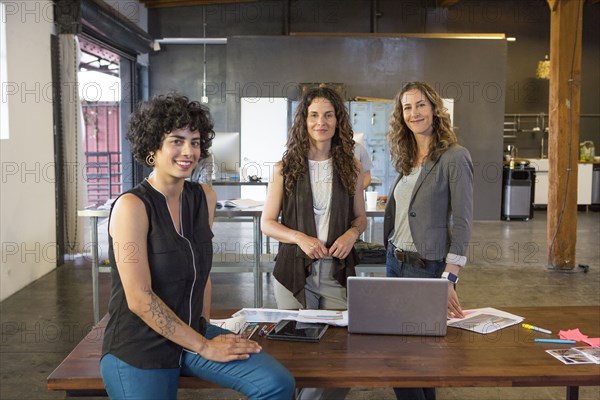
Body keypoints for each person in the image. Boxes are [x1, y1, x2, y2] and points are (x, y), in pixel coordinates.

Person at [100, 94, 295, 400]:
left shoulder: (204, 197)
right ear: (153, 147)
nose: (188, 151)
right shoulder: (132, 206)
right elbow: (138, 299)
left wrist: (203, 329)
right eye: (176, 141)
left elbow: (200, 274)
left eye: (195, 141)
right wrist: (204, 346)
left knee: (277, 384)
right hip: (140, 346)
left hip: (192, 333)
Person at [384, 81, 473, 400]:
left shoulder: (455, 156)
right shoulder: (406, 157)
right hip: (395, 263)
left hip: (427, 269)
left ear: (435, 108)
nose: (414, 113)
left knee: (404, 359)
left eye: (420, 104)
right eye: (407, 107)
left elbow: (463, 222)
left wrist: (450, 277)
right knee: (414, 359)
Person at [261, 86, 367, 311]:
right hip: (293, 270)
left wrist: (352, 233)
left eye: (329, 115)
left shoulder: (353, 168)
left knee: (337, 342)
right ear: (304, 121)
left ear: (338, 121)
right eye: (314, 115)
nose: (322, 122)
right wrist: (300, 238)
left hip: (336, 271)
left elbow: (360, 217)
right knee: (297, 342)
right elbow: (267, 223)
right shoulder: (284, 168)